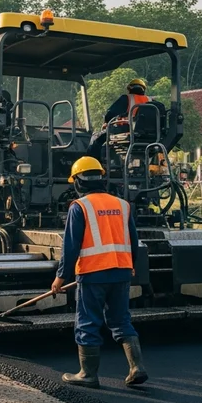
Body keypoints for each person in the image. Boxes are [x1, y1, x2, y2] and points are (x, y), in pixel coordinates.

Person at [49, 156, 146, 389]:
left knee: (87, 322)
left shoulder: (79, 206)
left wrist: (61, 277)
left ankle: (88, 375)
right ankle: (137, 367)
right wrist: (131, 266)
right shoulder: (122, 205)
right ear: (101, 178)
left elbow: (70, 246)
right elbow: (133, 241)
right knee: (121, 320)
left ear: (78, 182)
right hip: (122, 271)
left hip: (93, 274)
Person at [87, 78, 166, 160]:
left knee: (96, 138)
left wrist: (106, 122)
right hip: (150, 136)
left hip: (127, 130)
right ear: (144, 90)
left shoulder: (126, 98)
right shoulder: (152, 101)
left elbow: (110, 114)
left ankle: (92, 163)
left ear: (129, 89)